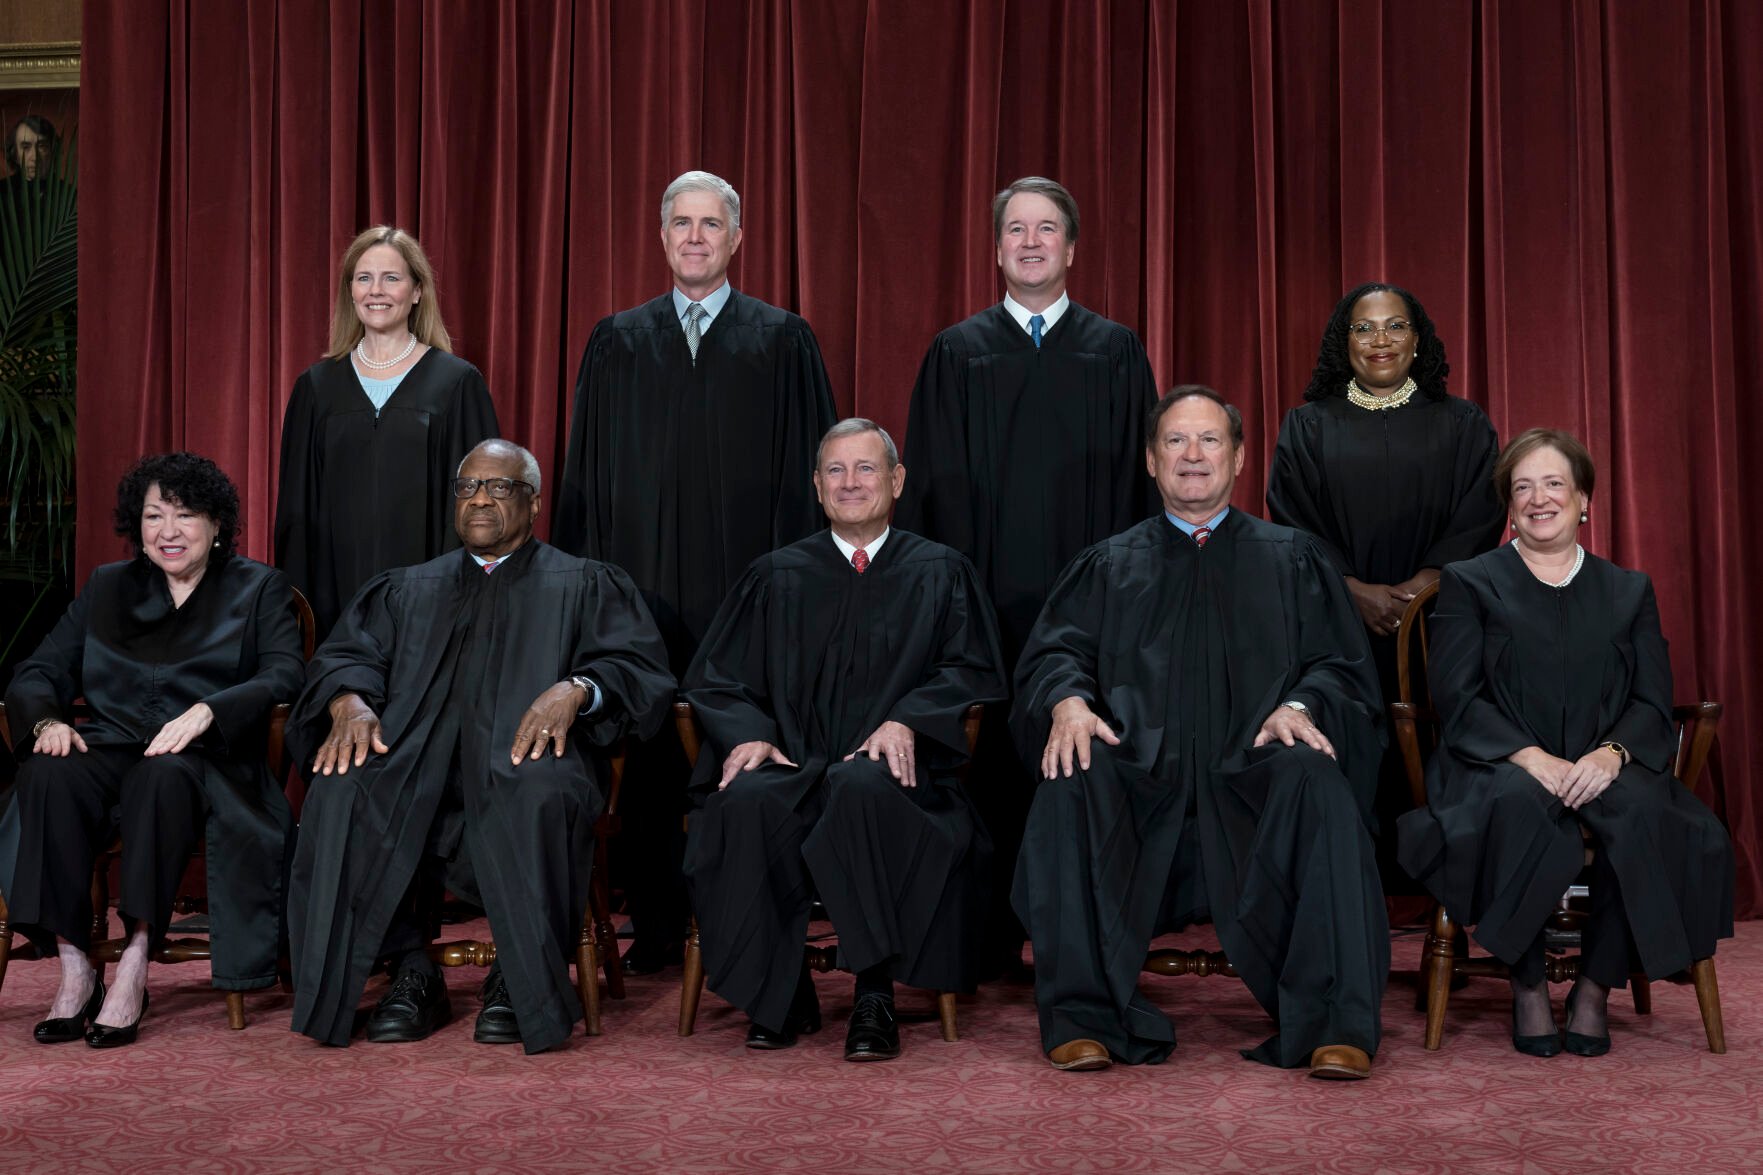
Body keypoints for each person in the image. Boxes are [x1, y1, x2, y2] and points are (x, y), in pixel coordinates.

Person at [1012, 386, 1388, 1078]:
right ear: (1151, 462)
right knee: (1072, 774)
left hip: (1254, 774)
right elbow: (1054, 654)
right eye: (1175, 442)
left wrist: (1299, 708)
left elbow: (1341, 667)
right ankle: (1082, 1015)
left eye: (1209, 440)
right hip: (1138, 776)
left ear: (1239, 457)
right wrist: (1065, 701)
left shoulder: (1292, 558)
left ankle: (1333, 1022)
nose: (1192, 455)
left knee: (1316, 779)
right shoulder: (1108, 564)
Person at [286, 440, 674, 1053]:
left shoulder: (583, 583)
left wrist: (579, 688)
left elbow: (636, 668)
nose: (481, 500)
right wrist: (348, 701)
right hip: (414, 760)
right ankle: (411, 971)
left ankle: (518, 981)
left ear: (535, 501)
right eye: (467, 488)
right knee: (343, 790)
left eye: (500, 487)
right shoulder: (405, 589)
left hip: (526, 760)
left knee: (538, 793)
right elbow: (345, 658)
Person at [553, 170, 836, 972]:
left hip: (750, 593)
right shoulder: (617, 340)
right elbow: (585, 478)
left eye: (711, 224)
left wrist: (801, 592)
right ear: (662, 234)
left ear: (737, 239)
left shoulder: (782, 339)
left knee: (746, 746)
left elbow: (815, 480)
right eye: (681, 222)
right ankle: (654, 922)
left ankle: (750, 919)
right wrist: (586, 595)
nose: (695, 237)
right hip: (641, 591)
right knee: (646, 753)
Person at [1397, 429, 1733, 1057]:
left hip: (1604, 761)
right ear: (1509, 504)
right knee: (1521, 807)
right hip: (1497, 760)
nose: (1538, 498)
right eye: (1522, 487)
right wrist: (1530, 757)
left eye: (1554, 484)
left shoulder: (1628, 591)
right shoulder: (1472, 582)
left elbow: (1652, 701)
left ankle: (1594, 986)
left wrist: (1611, 755)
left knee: (1639, 815)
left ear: (1584, 499)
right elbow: (1458, 697)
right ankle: (1527, 982)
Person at [896, 176, 1158, 967]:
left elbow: (1138, 490)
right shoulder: (956, 353)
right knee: (987, 765)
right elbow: (930, 495)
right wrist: (947, 605)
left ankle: (1080, 936)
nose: (1032, 242)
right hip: (984, 602)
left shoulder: (1113, 351)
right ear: (997, 248)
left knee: (1080, 759)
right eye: (1017, 229)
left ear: (1072, 248)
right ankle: (979, 935)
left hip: (1089, 612)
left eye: (1047, 229)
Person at [682, 419, 1006, 1061]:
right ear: (817, 485)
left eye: (865, 469)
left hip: (898, 776)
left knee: (861, 786)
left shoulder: (940, 572)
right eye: (835, 470)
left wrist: (909, 718)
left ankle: (874, 992)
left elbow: (974, 669)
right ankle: (780, 993)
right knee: (746, 802)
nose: (850, 483)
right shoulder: (776, 575)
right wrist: (748, 735)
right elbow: (716, 679)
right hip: (796, 762)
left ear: (896, 481)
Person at [1, 452, 304, 1048]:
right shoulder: (109, 587)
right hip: (111, 742)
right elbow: (38, 671)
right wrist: (43, 724)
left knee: (159, 778)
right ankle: (76, 968)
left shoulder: (258, 587)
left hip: (206, 758)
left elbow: (284, 675)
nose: (168, 532)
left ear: (217, 525)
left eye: (185, 516)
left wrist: (211, 709)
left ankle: (136, 962)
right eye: (153, 516)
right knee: (48, 775)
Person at [1266, 282, 1504, 884]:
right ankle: (1346, 880)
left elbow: (1481, 510)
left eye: (1395, 327)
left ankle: (1438, 880)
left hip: (1439, 623)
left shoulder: (1462, 423)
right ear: (1342, 342)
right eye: (1364, 328)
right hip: (1334, 620)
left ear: (1417, 339)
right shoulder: (1307, 427)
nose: (1381, 341)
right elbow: (1293, 520)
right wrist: (1353, 590)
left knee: (1437, 738)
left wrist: (1424, 586)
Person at [275, 225, 499, 641]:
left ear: (416, 291)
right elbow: (296, 514)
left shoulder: (456, 384)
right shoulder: (317, 388)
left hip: (435, 608)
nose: (376, 290)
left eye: (391, 278)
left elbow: (479, 507)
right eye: (364, 278)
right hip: (335, 605)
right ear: (351, 292)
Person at [5, 115, 57, 182]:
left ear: (52, 151)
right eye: (25, 147)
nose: (35, 157)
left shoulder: (69, 191)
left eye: (42, 146)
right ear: (15, 155)